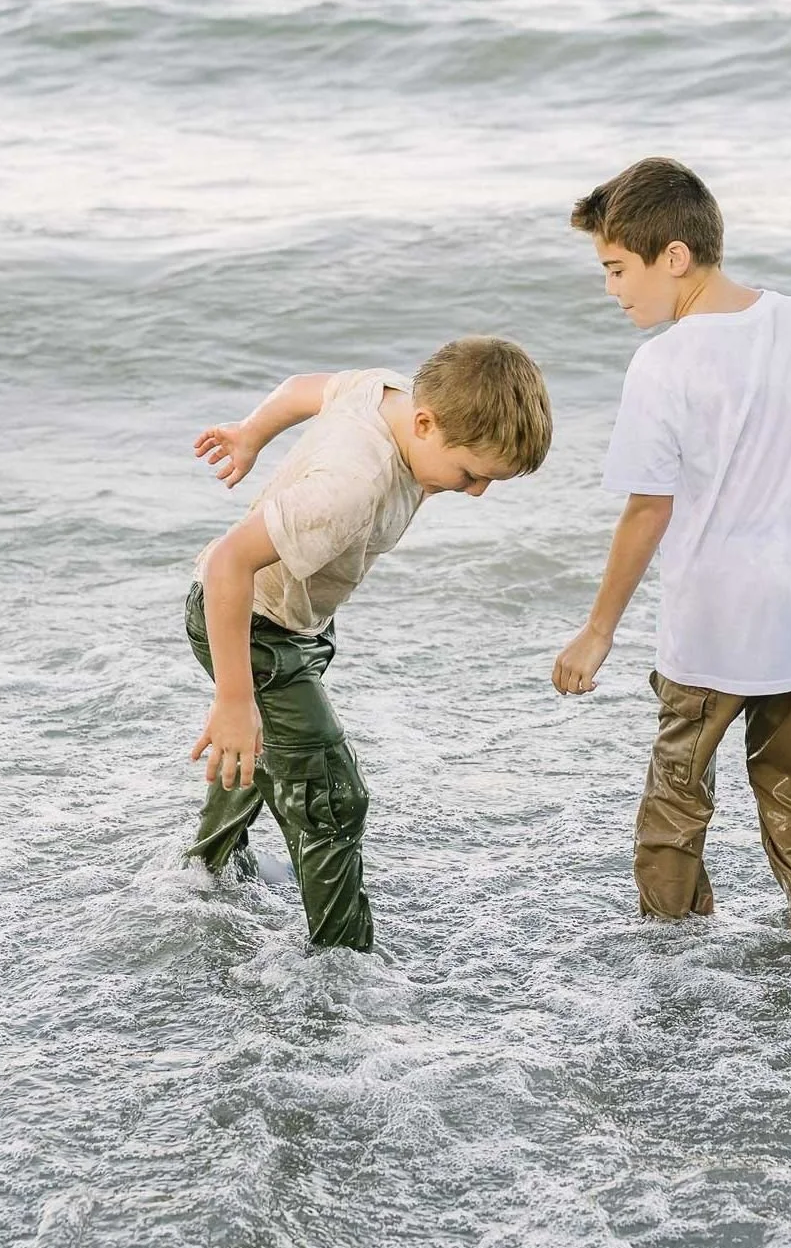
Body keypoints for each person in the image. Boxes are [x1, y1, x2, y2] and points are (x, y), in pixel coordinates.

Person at [551, 158, 791, 936]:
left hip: (715, 626)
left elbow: (647, 510)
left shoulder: (663, 363)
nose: (611, 290)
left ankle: (673, 956)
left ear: (674, 256)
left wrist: (598, 629)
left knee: (677, 798)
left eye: (617, 269)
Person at [187, 338, 552, 950]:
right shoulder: (350, 487)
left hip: (291, 624)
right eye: (471, 474)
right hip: (254, 628)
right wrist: (233, 698)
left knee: (274, 756)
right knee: (332, 798)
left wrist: (251, 433)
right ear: (425, 422)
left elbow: (305, 386)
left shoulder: (386, 393)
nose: (477, 492)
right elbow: (228, 564)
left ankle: (206, 874)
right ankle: (343, 967)